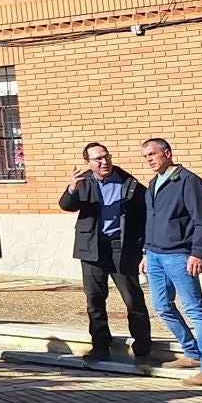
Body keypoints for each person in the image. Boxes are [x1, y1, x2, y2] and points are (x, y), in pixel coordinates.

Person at [60, 142, 151, 373]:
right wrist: (71, 189)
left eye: (106, 157)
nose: (104, 162)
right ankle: (100, 346)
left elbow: (145, 220)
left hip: (122, 248)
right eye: (98, 159)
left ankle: (143, 348)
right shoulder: (83, 183)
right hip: (91, 248)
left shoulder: (129, 184)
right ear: (88, 163)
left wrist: (144, 251)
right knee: (95, 300)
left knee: (133, 299)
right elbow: (67, 205)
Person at [140, 136, 202, 387]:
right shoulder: (153, 183)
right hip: (154, 255)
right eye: (146, 157)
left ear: (167, 153)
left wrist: (197, 252)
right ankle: (192, 353)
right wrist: (145, 252)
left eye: (152, 154)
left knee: (195, 310)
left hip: (179, 255)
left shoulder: (188, 181)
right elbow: (151, 221)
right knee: (162, 306)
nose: (149, 160)